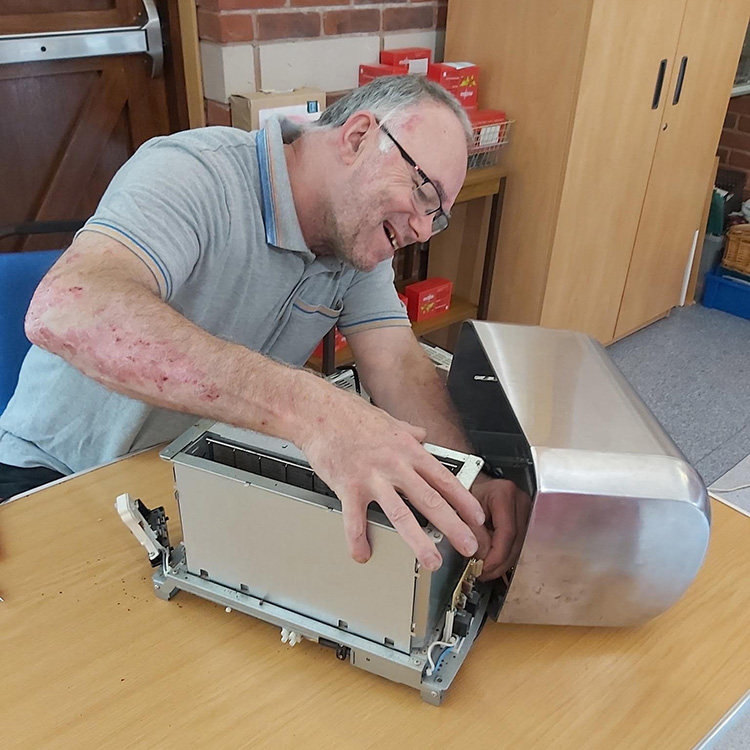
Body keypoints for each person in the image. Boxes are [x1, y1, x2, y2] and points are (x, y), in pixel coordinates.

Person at [0, 76, 527, 580]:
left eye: (438, 216)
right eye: (423, 192)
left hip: (185, 488)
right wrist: (312, 410)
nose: (420, 229)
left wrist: (466, 479)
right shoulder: (196, 173)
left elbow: (396, 363)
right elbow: (68, 309)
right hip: (52, 478)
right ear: (360, 136)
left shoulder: (355, 248)